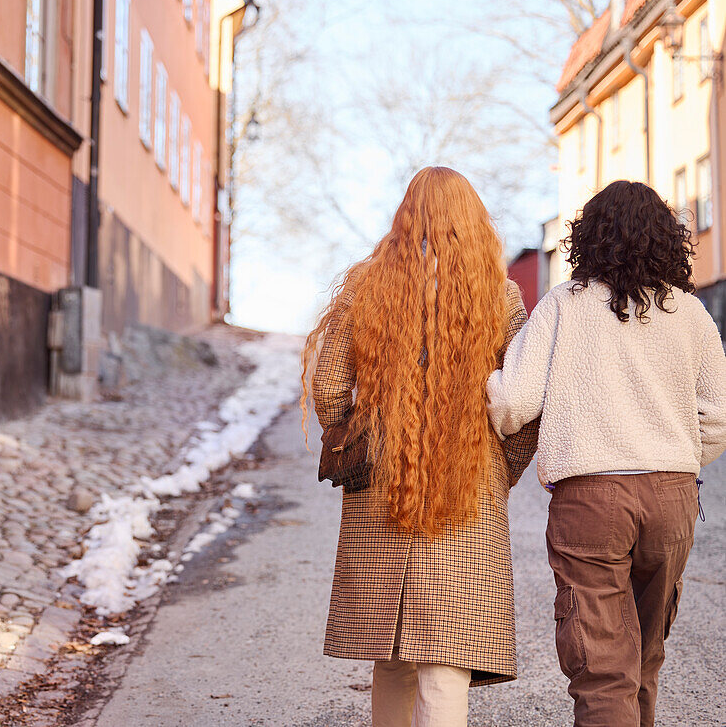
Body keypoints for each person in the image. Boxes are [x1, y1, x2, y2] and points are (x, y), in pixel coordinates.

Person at [302, 166, 539, 727]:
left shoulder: (366, 288)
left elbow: (330, 388)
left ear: (405, 218)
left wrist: (356, 434)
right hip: (469, 482)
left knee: (392, 647)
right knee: (447, 654)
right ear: (473, 221)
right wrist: (501, 469)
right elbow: (524, 402)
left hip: (383, 477)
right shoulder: (500, 297)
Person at [486, 180, 726, 727]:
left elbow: (514, 404)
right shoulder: (690, 313)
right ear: (668, 239)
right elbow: (720, 415)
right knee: (643, 651)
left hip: (590, 499)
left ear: (587, 238)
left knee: (600, 666)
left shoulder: (562, 308)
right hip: (671, 495)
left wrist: (484, 378)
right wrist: (680, 455)